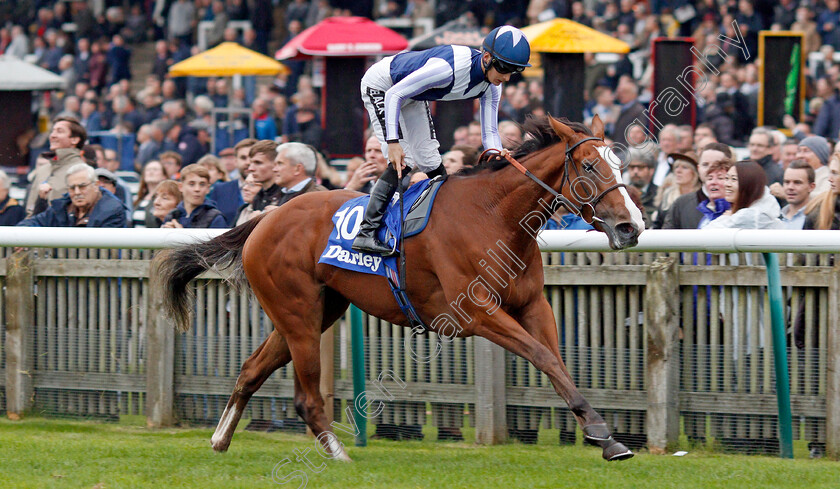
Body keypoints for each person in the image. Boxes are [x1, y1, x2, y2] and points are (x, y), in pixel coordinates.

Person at [353, 25, 531, 255]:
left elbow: (489, 135)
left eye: (513, 72)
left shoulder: (491, 88)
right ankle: (366, 232)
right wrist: (393, 142)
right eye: (504, 69)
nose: (506, 78)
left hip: (412, 93)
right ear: (486, 58)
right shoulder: (446, 70)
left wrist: (500, 157)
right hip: (383, 86)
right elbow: (394, 95)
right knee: (402, 158)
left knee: (430, 162)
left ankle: (445, 224)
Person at [17, 163, 127, 228]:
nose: (77, 192)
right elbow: (36, 222)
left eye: (82, 186)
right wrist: (19, 235)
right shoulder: (63, 205)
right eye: (72, 188)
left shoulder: (113, 210)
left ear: (96, 185)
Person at [25, 116, 87, 217]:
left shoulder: (82, 170)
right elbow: (30, 211)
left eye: (60, 131)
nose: (52, 136)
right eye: (52, 131)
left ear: (74, 140)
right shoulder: (43, 170)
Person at [663, 143, 734, 229]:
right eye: (705, 164)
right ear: (698, 168)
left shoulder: (740, 204)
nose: (710, 169)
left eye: (717, 165)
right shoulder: (681, 203)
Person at [702, 161, 783, 229]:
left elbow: (707, 235)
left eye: (734, 179)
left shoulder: (753, 215)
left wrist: (728, 218)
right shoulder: (754, 211)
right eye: (726, 178)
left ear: (749, 184)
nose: (727, 184)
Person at [161, 164, 227, 229]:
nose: (197, 189)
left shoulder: (215, 218)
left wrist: (181, 235)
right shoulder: (172, 216)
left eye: (202, 184)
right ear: (181, 187)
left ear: (208, 188)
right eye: (191, 184)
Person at [271, 142, 327, 208]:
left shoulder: (318, 197)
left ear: (297, 169)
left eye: (280, 164)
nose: (274, 169)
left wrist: (276, 213)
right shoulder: (279, 194)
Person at [653, 152, 700, 228]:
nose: (678, 171)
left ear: (695, 173)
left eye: (684, 167)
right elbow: (658, 224)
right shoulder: (668, 195)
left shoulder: (701, 196)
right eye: (676, 167)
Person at [201, 154, 244, 226]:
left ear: (220, 174)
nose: (206, 173)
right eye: (203, 169)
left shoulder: (229, 192)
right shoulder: (198, 194)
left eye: (210, 169)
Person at [625, 149, 658, 226]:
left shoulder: (660, 194)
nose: (635, 171)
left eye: (640, 167)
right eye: (632, 167)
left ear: (651, 170)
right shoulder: (622, 194)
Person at [248, 140, 284, 213]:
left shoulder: (286, 195)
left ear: (275, 164)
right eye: (251, 163)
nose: (251, 168)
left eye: (258, 163)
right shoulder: (258, 196)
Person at [780, 160, 816, 229]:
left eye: (797, 182)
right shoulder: (776, 218)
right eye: (787, 182)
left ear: (811, 187)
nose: (790, 187)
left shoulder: (818, 219)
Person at [133, 160, 167, 227]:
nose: (151, 172)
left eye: (155, 169)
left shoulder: (167, 199)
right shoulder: (138, 198)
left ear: (164, 176)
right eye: (148, 170)